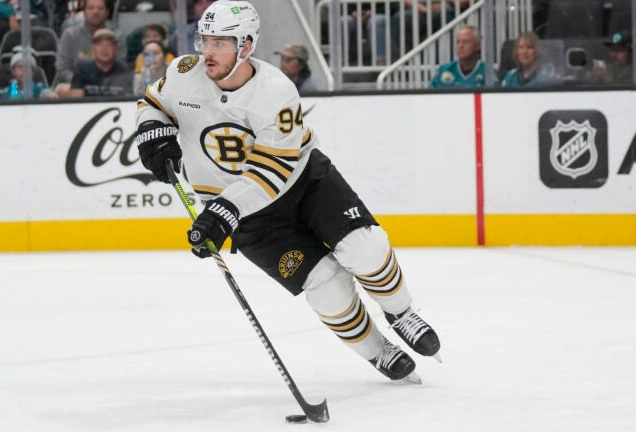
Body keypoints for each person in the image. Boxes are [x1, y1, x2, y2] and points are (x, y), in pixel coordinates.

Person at [135, 0, 441, 383]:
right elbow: (152, 102)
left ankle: (401, 312)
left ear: (245, 46)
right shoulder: (183, 74)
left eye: (220, 42)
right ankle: (378, 351)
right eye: (204, 39)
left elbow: (274, 168)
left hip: (302, 184)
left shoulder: (275, 91)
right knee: (326, 288)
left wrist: (224, 209)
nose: (207, 51)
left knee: (365, 247)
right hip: (248, 218)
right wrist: (152, 131)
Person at [55, 0, 125, 87]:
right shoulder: (70, 35)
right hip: (75, 85)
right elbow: (62, 69)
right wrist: (81, 82)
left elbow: (120, 67)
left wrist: (101, 84)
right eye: (91, 8)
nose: (96, 12)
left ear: (107, 13)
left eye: (100, 8)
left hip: (110, 86)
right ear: (84, 12)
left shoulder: (117, 36)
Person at [62, 28, 132, 97]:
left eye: (109, 44)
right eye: (99, 44)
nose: (104, 49)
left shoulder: (125, 71)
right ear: (93, 48)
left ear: (116, 49)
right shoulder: (82, 70)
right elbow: (76, 99)